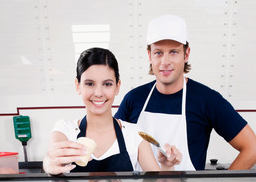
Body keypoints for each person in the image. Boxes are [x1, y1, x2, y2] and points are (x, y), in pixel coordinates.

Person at [115, 14, 256, 171]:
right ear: (149, 55)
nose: (165, 62)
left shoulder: (207, 100)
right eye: (158, 52)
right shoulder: (134, 99)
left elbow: (253, 149)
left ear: (186, 54)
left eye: (173, 52)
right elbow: (113, 146)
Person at [43, 47, 181, 175]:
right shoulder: (65, 131)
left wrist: (167, 166)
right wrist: (48, 163)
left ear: (117, 87)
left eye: (107, 84)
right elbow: (51, 156)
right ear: (78, 86)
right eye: (89, 84)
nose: (98, 93)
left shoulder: (134, 135)